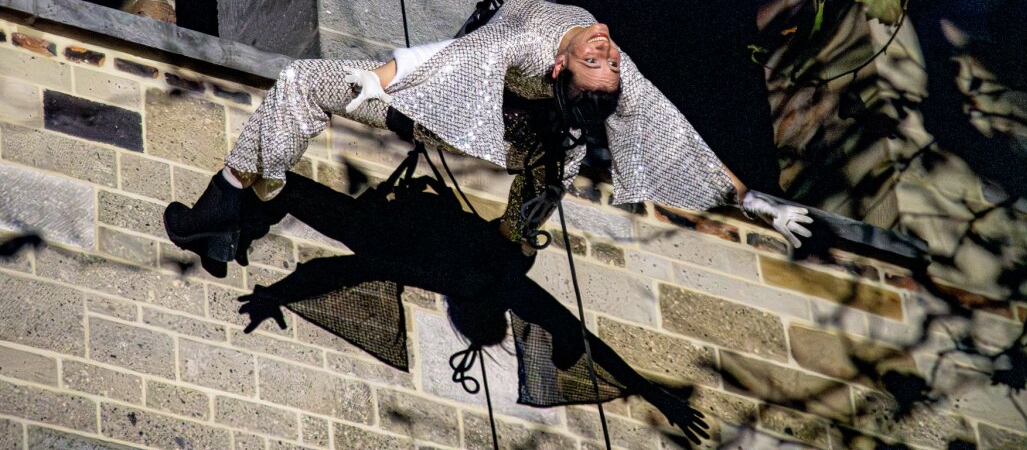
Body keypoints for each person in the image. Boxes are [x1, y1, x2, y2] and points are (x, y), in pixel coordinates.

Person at [163, 0, 812, 262]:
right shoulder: (590, 60)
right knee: (309, 84)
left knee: (303, 81)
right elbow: (458, 57)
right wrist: (752, 197)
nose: (609, 49)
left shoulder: (537, 37)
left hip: (458, 115)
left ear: (560, 66)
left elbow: (678, 137)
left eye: (600, 58)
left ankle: (232, 200)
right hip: (478, 118)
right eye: (606, 59)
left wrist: (383, 77)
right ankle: (248, 197)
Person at [233, 170, 709, 444]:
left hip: (394, 227)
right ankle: (229, 224)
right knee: (291, 193)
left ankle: (229, 224)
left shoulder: (505, 291)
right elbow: (587, 343)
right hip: (392, 229)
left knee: (288, 190)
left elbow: (585, 341)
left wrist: (654, 393)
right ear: (466, 314)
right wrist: (277, 293)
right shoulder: (480, 285)